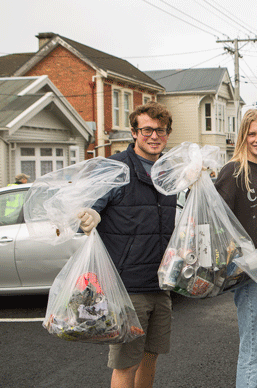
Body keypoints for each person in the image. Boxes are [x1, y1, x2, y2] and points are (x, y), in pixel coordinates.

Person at [77, 101, 177, 388]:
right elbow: (89, 208)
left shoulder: (168, 172)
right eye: (147, 130)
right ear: (134, 132)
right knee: (125, 363)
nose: (154, 136)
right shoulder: (115, 168)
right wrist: (91, 214)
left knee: (150, 357)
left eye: (161, 130)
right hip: (127, 288)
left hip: (160, 284)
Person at [215, 109, 257, 388]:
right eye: (252, 134)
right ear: (243, 137)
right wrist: (242, 255)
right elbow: (217, 219)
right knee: (255, 350)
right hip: (250, 273)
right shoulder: (233, 171)